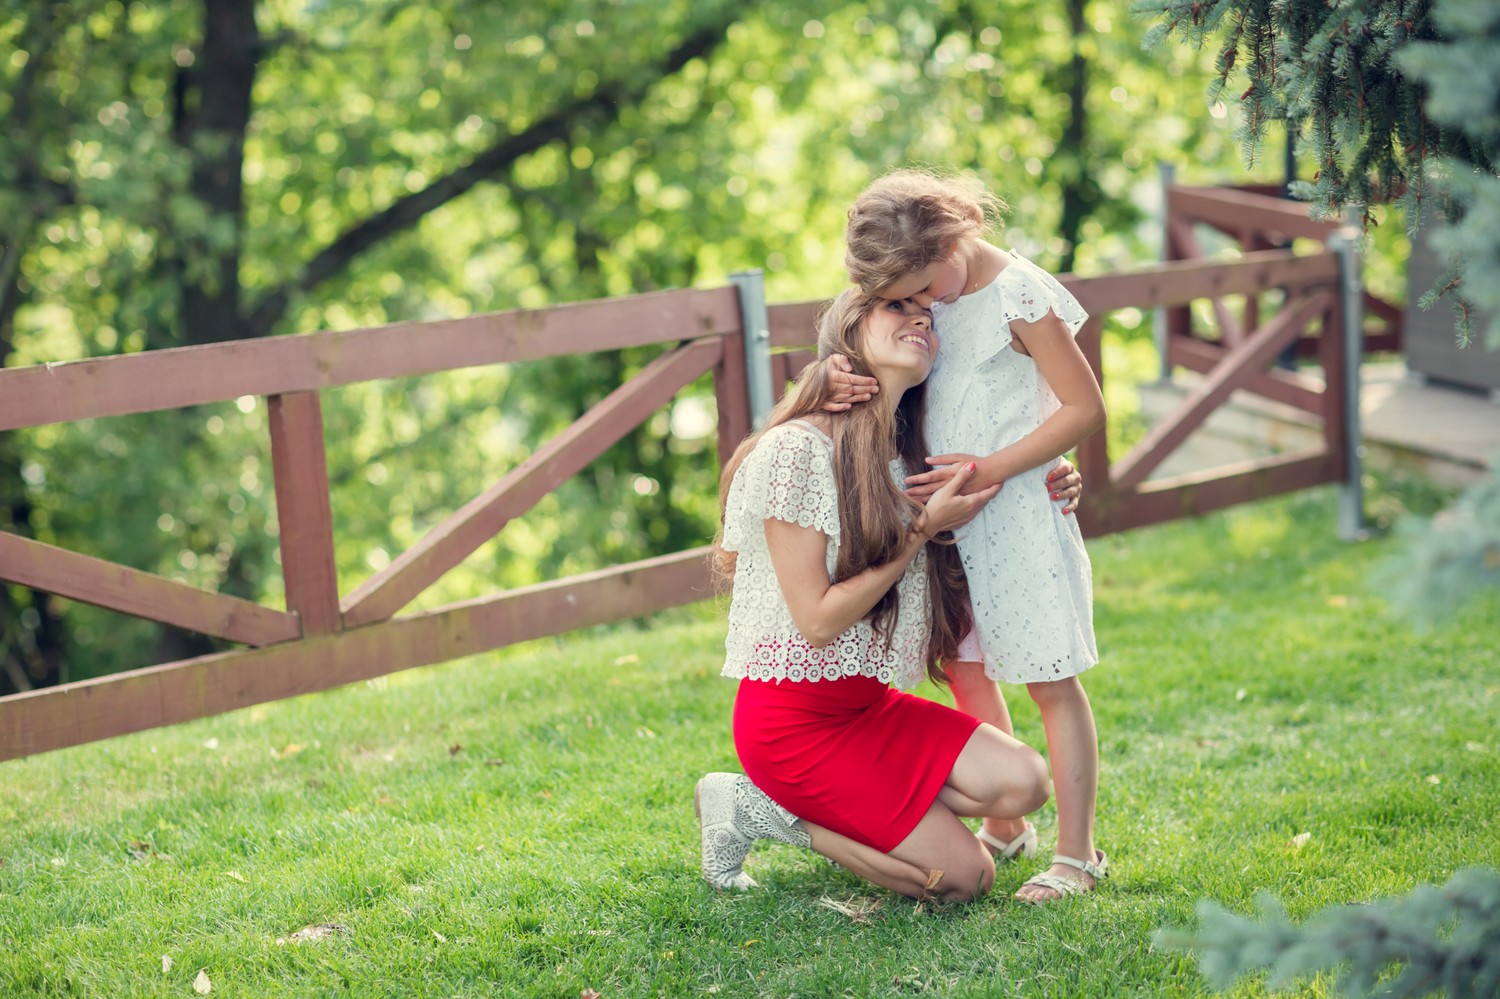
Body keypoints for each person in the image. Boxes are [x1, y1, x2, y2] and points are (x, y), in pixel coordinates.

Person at [695, 289, 1076, 903]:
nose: (920, 317)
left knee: (1026, 781)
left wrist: (1055, 475)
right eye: (896, 307)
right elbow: (817, 622)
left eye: (926, 314)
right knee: (966, 879)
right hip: (792, 731)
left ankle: (877, 810)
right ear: (849, 335)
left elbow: (1005, 474)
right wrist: (920, 530)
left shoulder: (908, 459)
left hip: (868, 712)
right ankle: (761, 809)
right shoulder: (798, 450)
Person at [831, 168, 1108, 902]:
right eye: (909, 297)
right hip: (945, 528)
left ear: (958, 235)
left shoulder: (1020, 294)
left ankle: (1077, 854)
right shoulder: (919, 288)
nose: (923, 304)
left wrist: (995, 468)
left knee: (1050, 678)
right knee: (963, 667)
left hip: (1017, 515)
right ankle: (1007, 823)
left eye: (926, 285)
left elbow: (1081, 408)